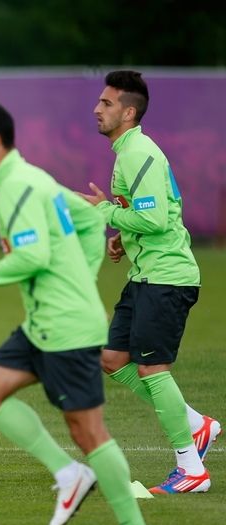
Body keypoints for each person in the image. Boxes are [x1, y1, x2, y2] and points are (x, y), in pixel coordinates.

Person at [0, 102, 157, 525]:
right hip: (42, 327)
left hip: (67, 330)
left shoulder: (17, 186)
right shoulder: (32, 178)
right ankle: (69, 475)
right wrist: (82, 272)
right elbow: (89, 219)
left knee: (88, 431)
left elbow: (32, 257)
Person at [81, 70, 218, 494]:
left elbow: (156, 219)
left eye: (106, 104)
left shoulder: (138, 153)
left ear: (128, 111)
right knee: (112, 358)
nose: (97, 109)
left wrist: (106, 214)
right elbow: (157, 212)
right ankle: (197, 425)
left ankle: (190, 469)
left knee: (152, 367)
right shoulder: (129, 152)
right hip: (146, 276)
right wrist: (124, 236)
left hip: (166, 277)